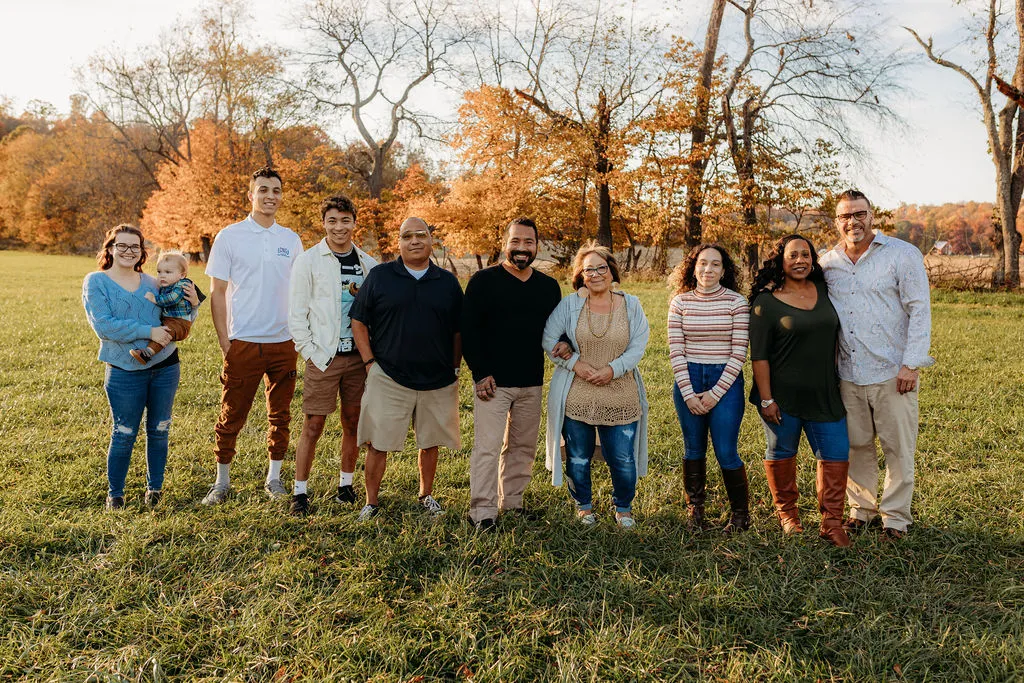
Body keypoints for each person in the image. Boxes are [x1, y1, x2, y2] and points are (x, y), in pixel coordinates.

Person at [820, 189, 933, 540]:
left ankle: (895, 518)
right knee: (856, 446)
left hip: (892, 371)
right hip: (848, 373)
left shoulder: (901, 254)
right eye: (845, 216)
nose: (852, 221)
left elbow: (919, 309)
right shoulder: (828, 263)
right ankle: (862, 510)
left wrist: (911, 363)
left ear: (871, 216)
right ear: (836, 221)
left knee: (898, 448)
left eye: (859, 214)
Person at [201, 167, 304, 505]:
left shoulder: (290, 240)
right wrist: (225, 341)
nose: (270, 196)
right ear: (251, 195)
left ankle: (274, 478)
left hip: (283, 343)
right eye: (263, 190)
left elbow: (300, 291)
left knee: (280, 416)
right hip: (243, 342)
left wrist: (297, 337)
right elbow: (217, 292)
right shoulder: (230, 236)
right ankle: (221, 482)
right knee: (231, 414)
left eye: (276, 190)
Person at [350, 217, 463, 522]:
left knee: (430, 442)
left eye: (421, 235)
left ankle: (426, 495)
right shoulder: (380, 276)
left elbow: (458, 330)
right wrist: (369, 363)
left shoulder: (447, 282)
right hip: (388, 375)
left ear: (431, 241)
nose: (414, 241)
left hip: (437, 379)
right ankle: (371, 503)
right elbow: (358, 320)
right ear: (398, 242)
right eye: (407, 236)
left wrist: (455, 367)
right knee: (378, 443)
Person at [82, 225, 199, 510]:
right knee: (124, 432)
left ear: (142, 251)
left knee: (159, 430)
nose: (128, 251)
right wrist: (148, 331)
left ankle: (154, 490)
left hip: (165, 366)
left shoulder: (154, 282)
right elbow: (104, 326)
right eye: (121, 245)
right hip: (123, 370)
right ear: (110, 249)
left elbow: (177, 319)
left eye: (134, 246)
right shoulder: (96, 281)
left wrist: (195, 306)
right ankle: (115, 495)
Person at [461, 218, 565, 531]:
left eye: (528, 242)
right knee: (488, 448)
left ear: (537, 246)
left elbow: (557, 330)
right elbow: (469, 331)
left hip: (531, 381)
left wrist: (565, 343)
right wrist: (480, 373)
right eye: (516, 241)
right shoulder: (483, 282)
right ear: (505, 243)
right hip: (492, 383)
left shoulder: (548, 287)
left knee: (522, 447)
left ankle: (513, 503)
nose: (522, 248)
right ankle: (482, 512)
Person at [749, 234, 851, 547]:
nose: (800, 260)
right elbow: (759, 357)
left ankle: (832, 523)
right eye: (793, 255)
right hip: (782, 396)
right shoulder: (765, 303)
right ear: (780, 260)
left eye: (805, 254)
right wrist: (766, 399)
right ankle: (788, 516)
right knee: (782, 452)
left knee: (836, 453)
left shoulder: (824, 289)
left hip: (825, 393)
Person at [542, 242, 650, 529]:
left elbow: (638, 345)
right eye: (588, 269)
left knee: (623, 459)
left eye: (601, 268)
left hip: (621, 393)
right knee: (578, 457)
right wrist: (575, 364)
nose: (595, 274)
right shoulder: (570, 305)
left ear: (611, 271)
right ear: (581, 275)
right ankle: (584, 507)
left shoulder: (631, 304)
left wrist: (612, 370)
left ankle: (623, 508)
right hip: (577, 393)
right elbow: (549, 339)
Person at [287, 195, 379, 516]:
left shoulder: (369, 265)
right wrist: (310, 352)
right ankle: (300, 492)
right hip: (323, 357)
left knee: (353, 422)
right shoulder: (309, 261)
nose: (339, 227)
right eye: (332, 221)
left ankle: (345, 485)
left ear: (354, 222)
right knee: (313, 424)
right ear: (323, 223)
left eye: (345, 220)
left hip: (357, 358)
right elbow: (296, 313)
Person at [667, 244, 750, 532]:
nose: (708, 269)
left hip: (725, 380)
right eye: (703, 263)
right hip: (688, 378)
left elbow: (738, 354)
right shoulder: (680, 303)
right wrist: (688, 394)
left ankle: (740, 515)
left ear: (724, 271)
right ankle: (695, 510)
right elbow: (676, 351)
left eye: (716, 264)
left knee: (726, 450)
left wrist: (715, 394)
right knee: (693, 448)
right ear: (693, 268)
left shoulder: (736, 303)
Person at [130, 251, 203, 364]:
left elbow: (172, 299)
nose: (162, 275)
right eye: (159, 272)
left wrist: (155, 299)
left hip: (180, 323)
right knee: (161, 331)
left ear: (182, 275)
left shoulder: (182, 285)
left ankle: (147, 353)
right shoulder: (167, 285)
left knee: (164, 333)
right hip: (170, 320)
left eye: (168, 272)